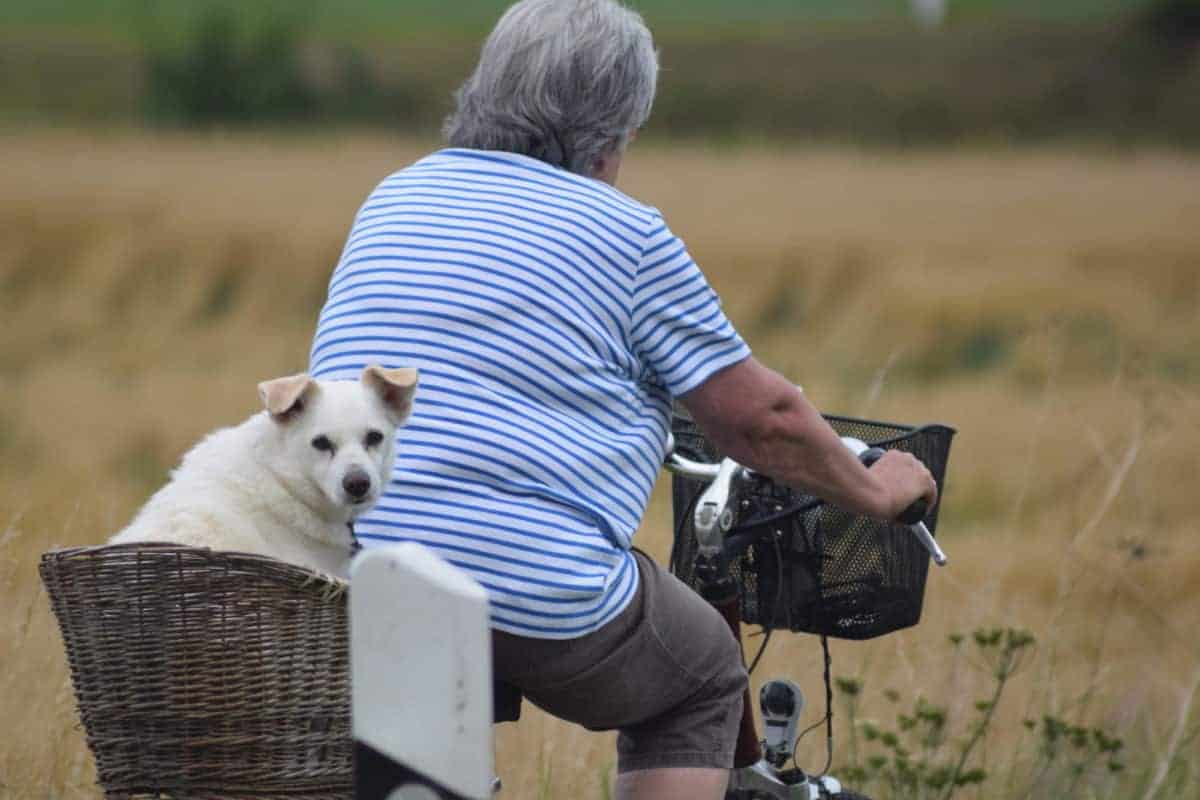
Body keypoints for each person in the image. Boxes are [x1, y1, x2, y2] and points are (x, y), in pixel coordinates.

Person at [308, 1, 937, 797]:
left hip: (358, 568)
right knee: (703, 673)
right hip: (528, 584)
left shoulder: (393, 198)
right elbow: (761, 420)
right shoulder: (627, 234)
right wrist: (879, 491)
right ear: (614, 132)